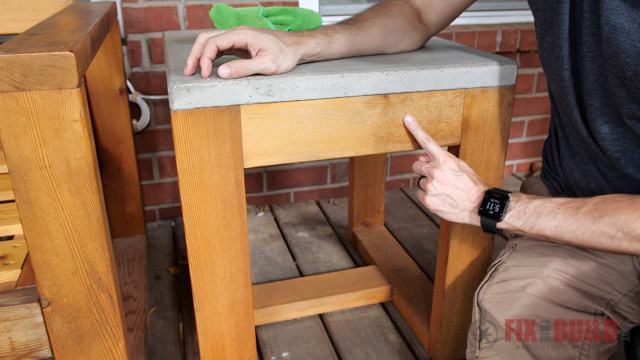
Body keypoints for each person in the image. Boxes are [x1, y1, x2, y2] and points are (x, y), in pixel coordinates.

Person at [183, 0, 640, 358]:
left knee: (514, 318)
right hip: (574, 199)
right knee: (516, 323)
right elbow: (418, 10)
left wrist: (492, 205)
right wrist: (301, 43)